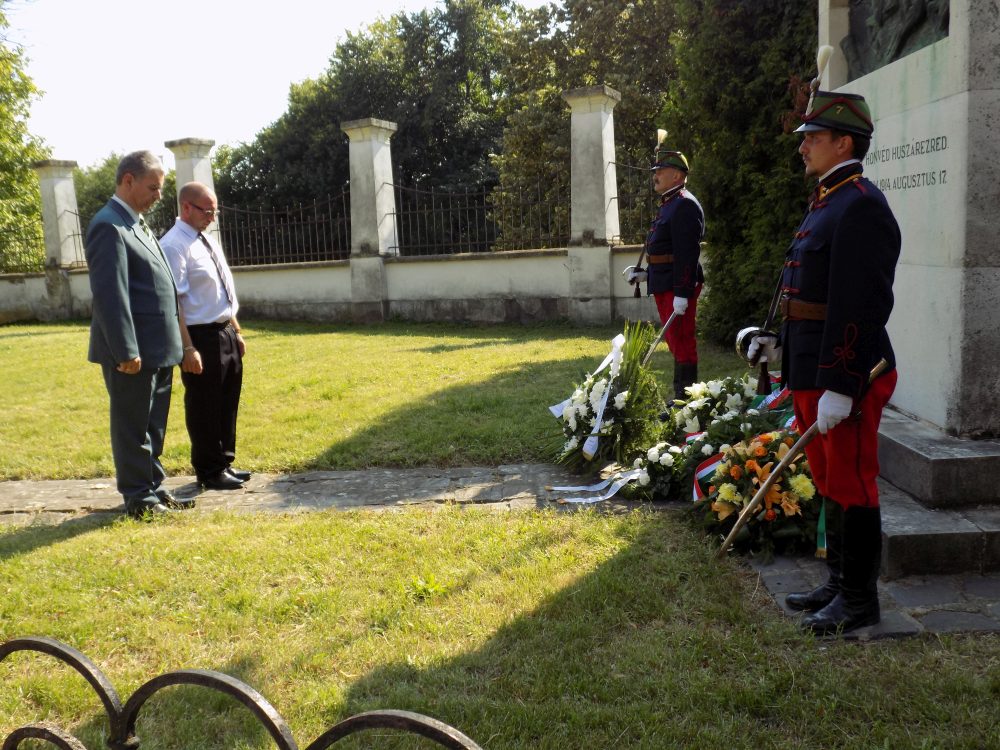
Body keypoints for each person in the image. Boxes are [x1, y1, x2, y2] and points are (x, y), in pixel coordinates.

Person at [745, 88, 900, 635]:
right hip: (812, 364)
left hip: (847, 371)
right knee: (830, 478)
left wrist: (842, 382)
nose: (802, 146)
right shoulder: (828, 201)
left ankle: (859, 601)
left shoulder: (860, 205)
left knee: (854, 481)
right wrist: (774, 339)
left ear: (843, 143)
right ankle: (838, 582)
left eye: (813, 137)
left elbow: (862, 303)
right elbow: (807, 289)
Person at [86, 151, 192, 518]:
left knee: (153, 425)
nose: (159, 196)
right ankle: (138, 498)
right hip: (133, 352)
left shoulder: (136, 222)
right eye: (153, 188)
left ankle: (153, 487)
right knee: (132, 426)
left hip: (158, 348)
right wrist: (125, 350)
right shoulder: (109, 225)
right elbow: (110, 295)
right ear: (128, 180)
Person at [160, 182, 249, 491]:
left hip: (224, 330)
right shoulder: (174, 246)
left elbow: (221, 290)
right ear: (186, 207)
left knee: (227, 399)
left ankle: (224, 461)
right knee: (205, 404)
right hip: (199, 336)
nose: (212, 217)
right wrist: (188, 348)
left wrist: (236, 330)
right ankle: (209, 470)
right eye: (207, 211)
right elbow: (175, 302)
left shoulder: (205, 240)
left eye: (214, 212)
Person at [635, 147, 705, 401]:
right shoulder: (669, 204)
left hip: (677, 286)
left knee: (682, 341)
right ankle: (683, 396)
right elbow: (665, 249)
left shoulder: (684, 204)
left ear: (677, 175)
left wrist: (683, 292)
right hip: (665, 282)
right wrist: (646, 274)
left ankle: (686, 399)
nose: (655, 176)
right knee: (675, 341)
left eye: (660, 171)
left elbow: (687, 253)